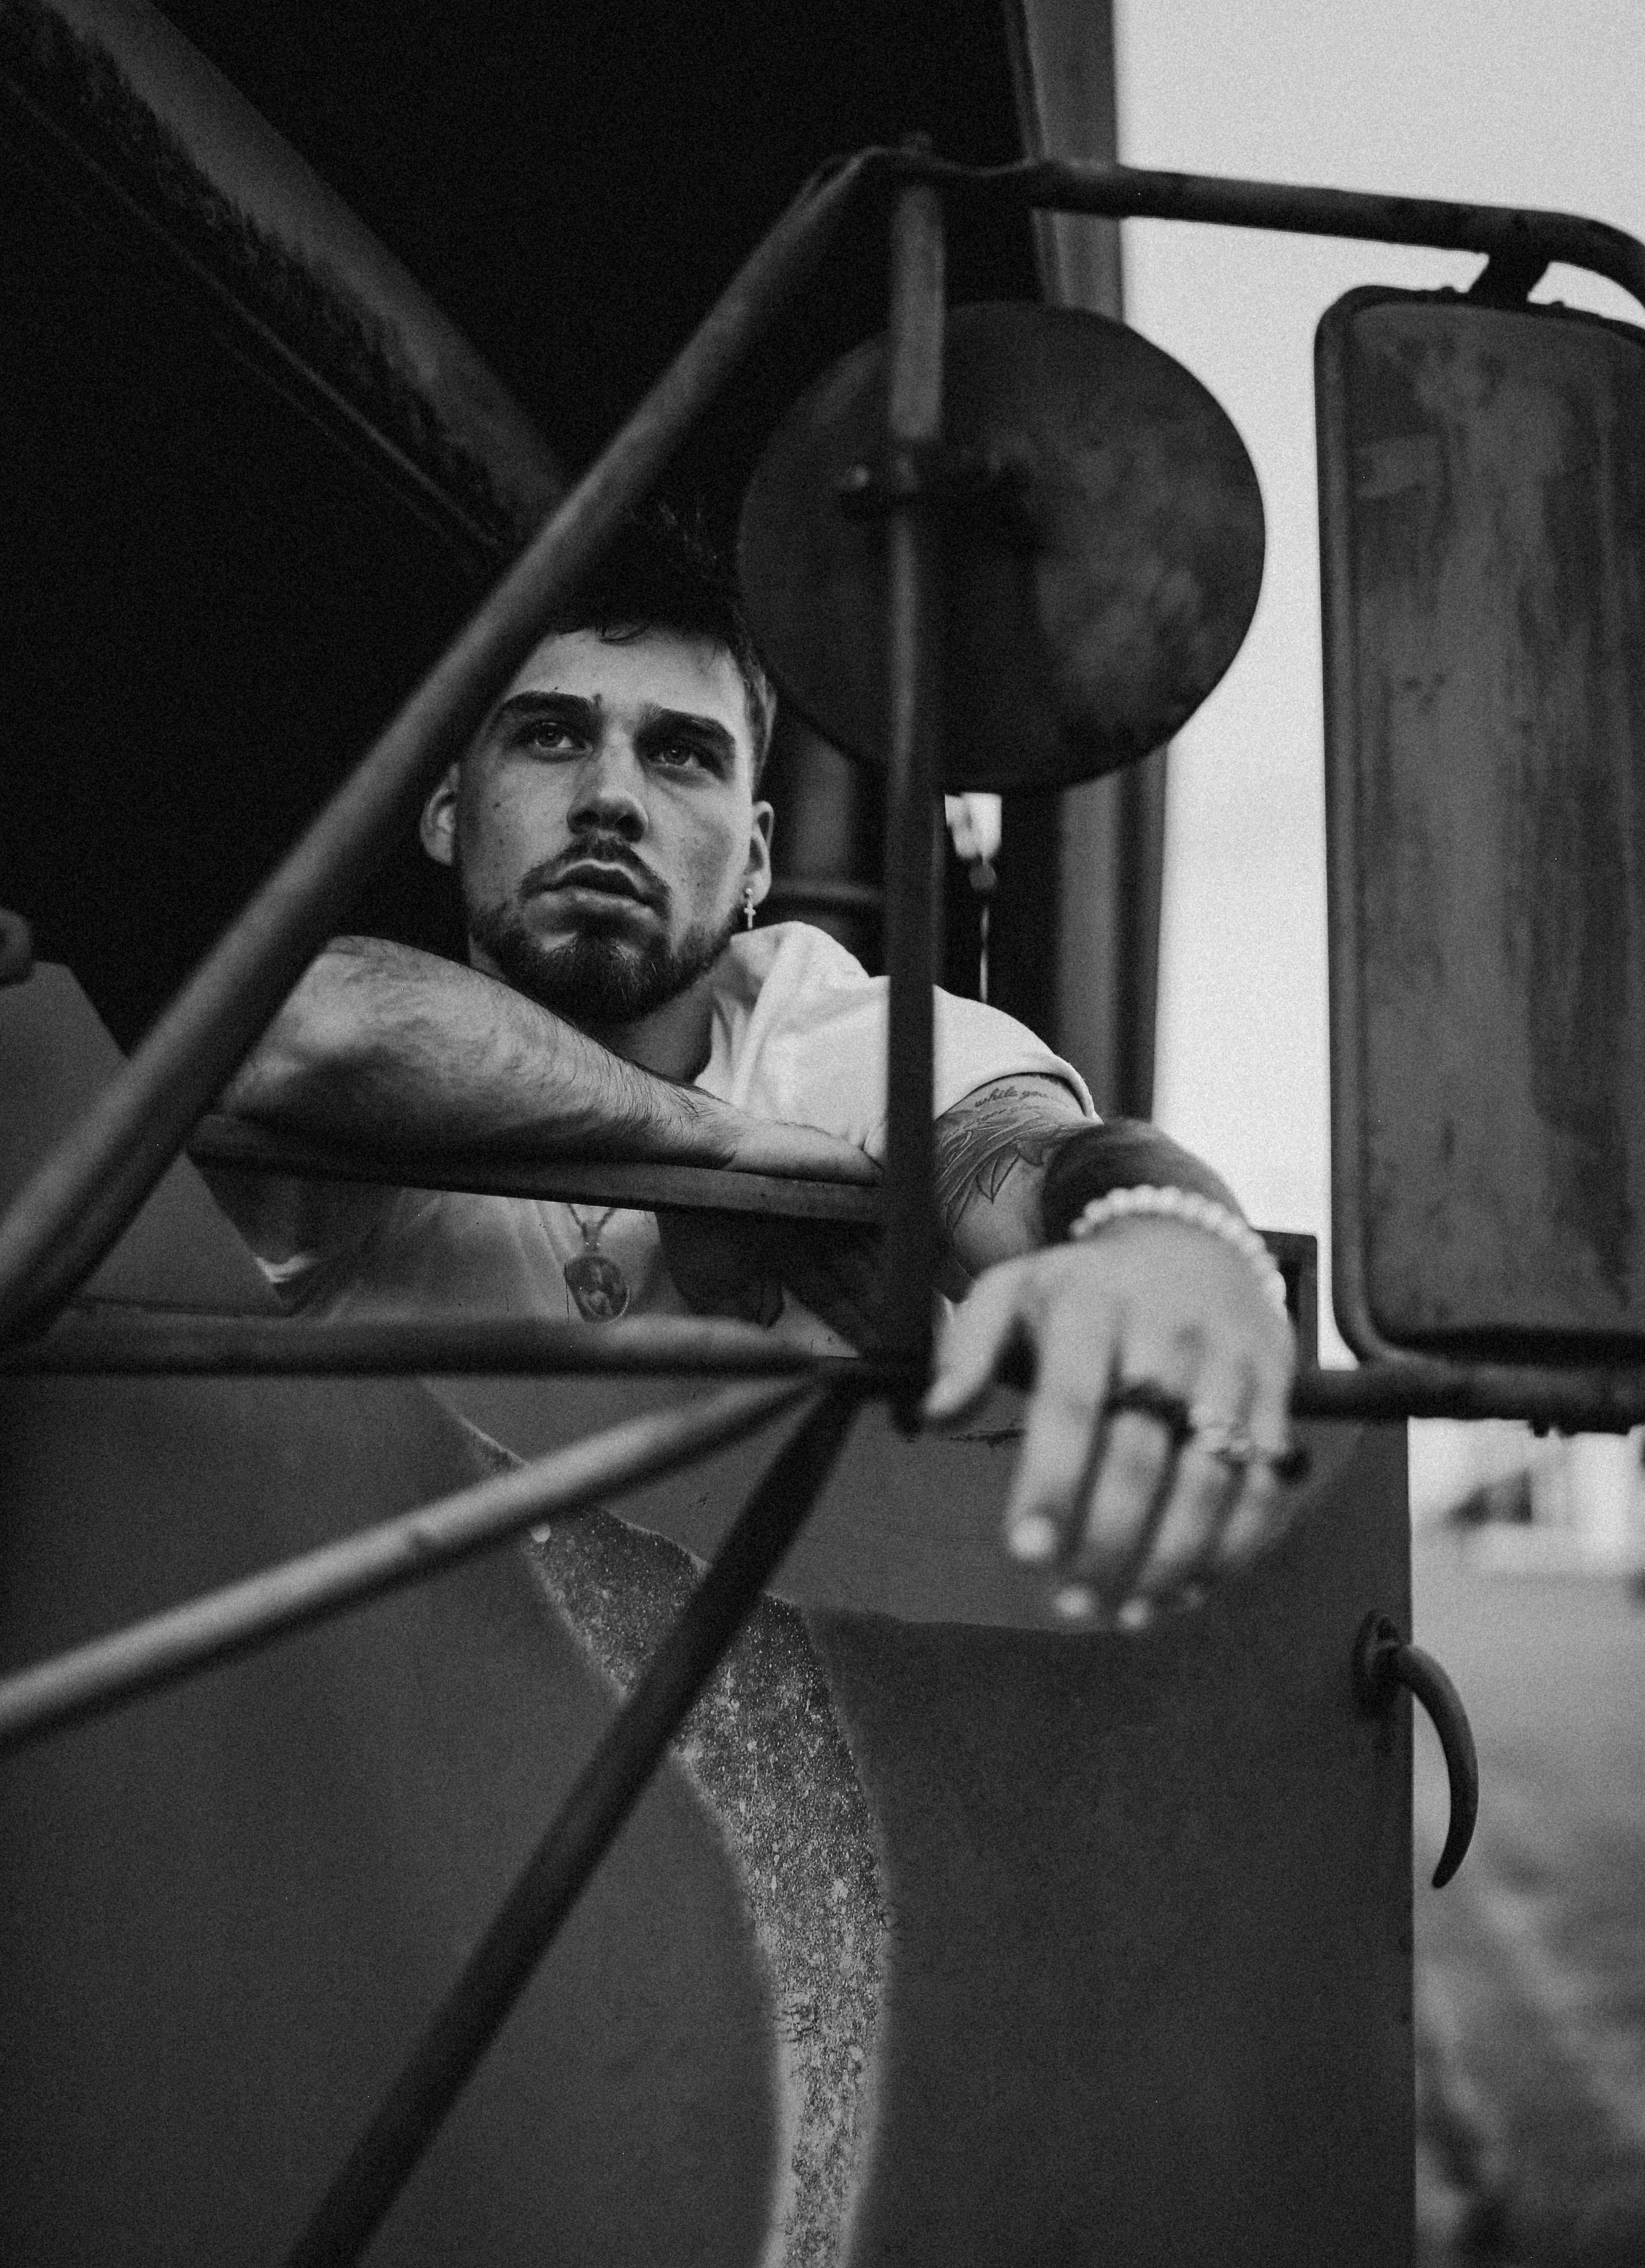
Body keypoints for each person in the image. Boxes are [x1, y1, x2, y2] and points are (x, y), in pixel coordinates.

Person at [213, 521, 1297, 1630]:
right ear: (448, 811)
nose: (612, 798)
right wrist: (714, 1145)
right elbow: (325, 1026)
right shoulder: (377, 1033)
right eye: (549, 736)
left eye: (681, 753)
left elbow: (1020, 1145)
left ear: (759, 857)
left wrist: (1163, 1241)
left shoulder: (826, 1025)